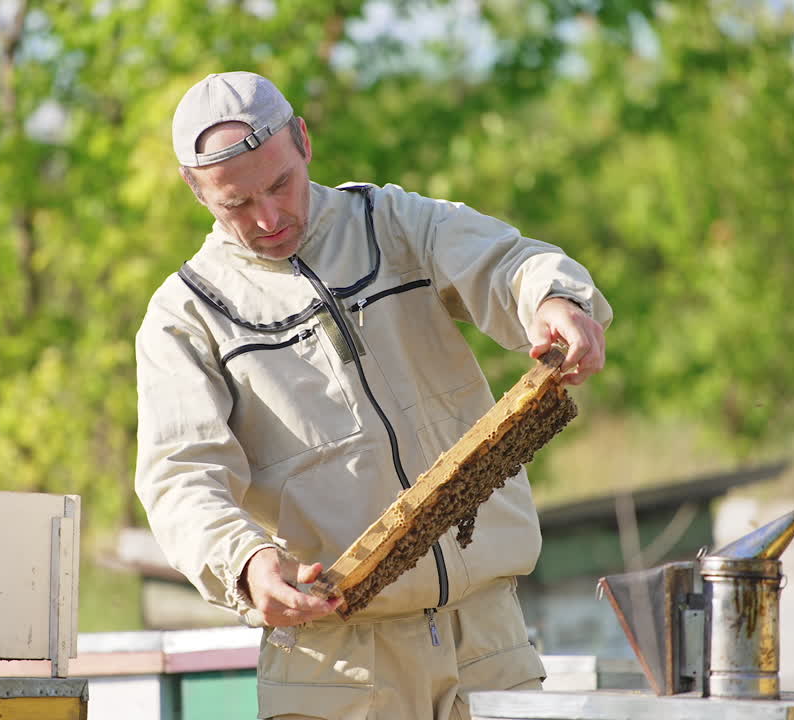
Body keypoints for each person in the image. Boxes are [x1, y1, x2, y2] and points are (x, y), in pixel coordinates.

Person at [135, 71, 612, 720]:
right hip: (333, 669)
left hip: (489, 645)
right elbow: (180, 478)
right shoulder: (183, 317)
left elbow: (504, 262)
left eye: (280, 184)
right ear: (194, 188)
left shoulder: (392, 221)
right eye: (236, 204)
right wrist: (243, 564)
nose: (269, 218)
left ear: (303, 141)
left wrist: (556, 300)